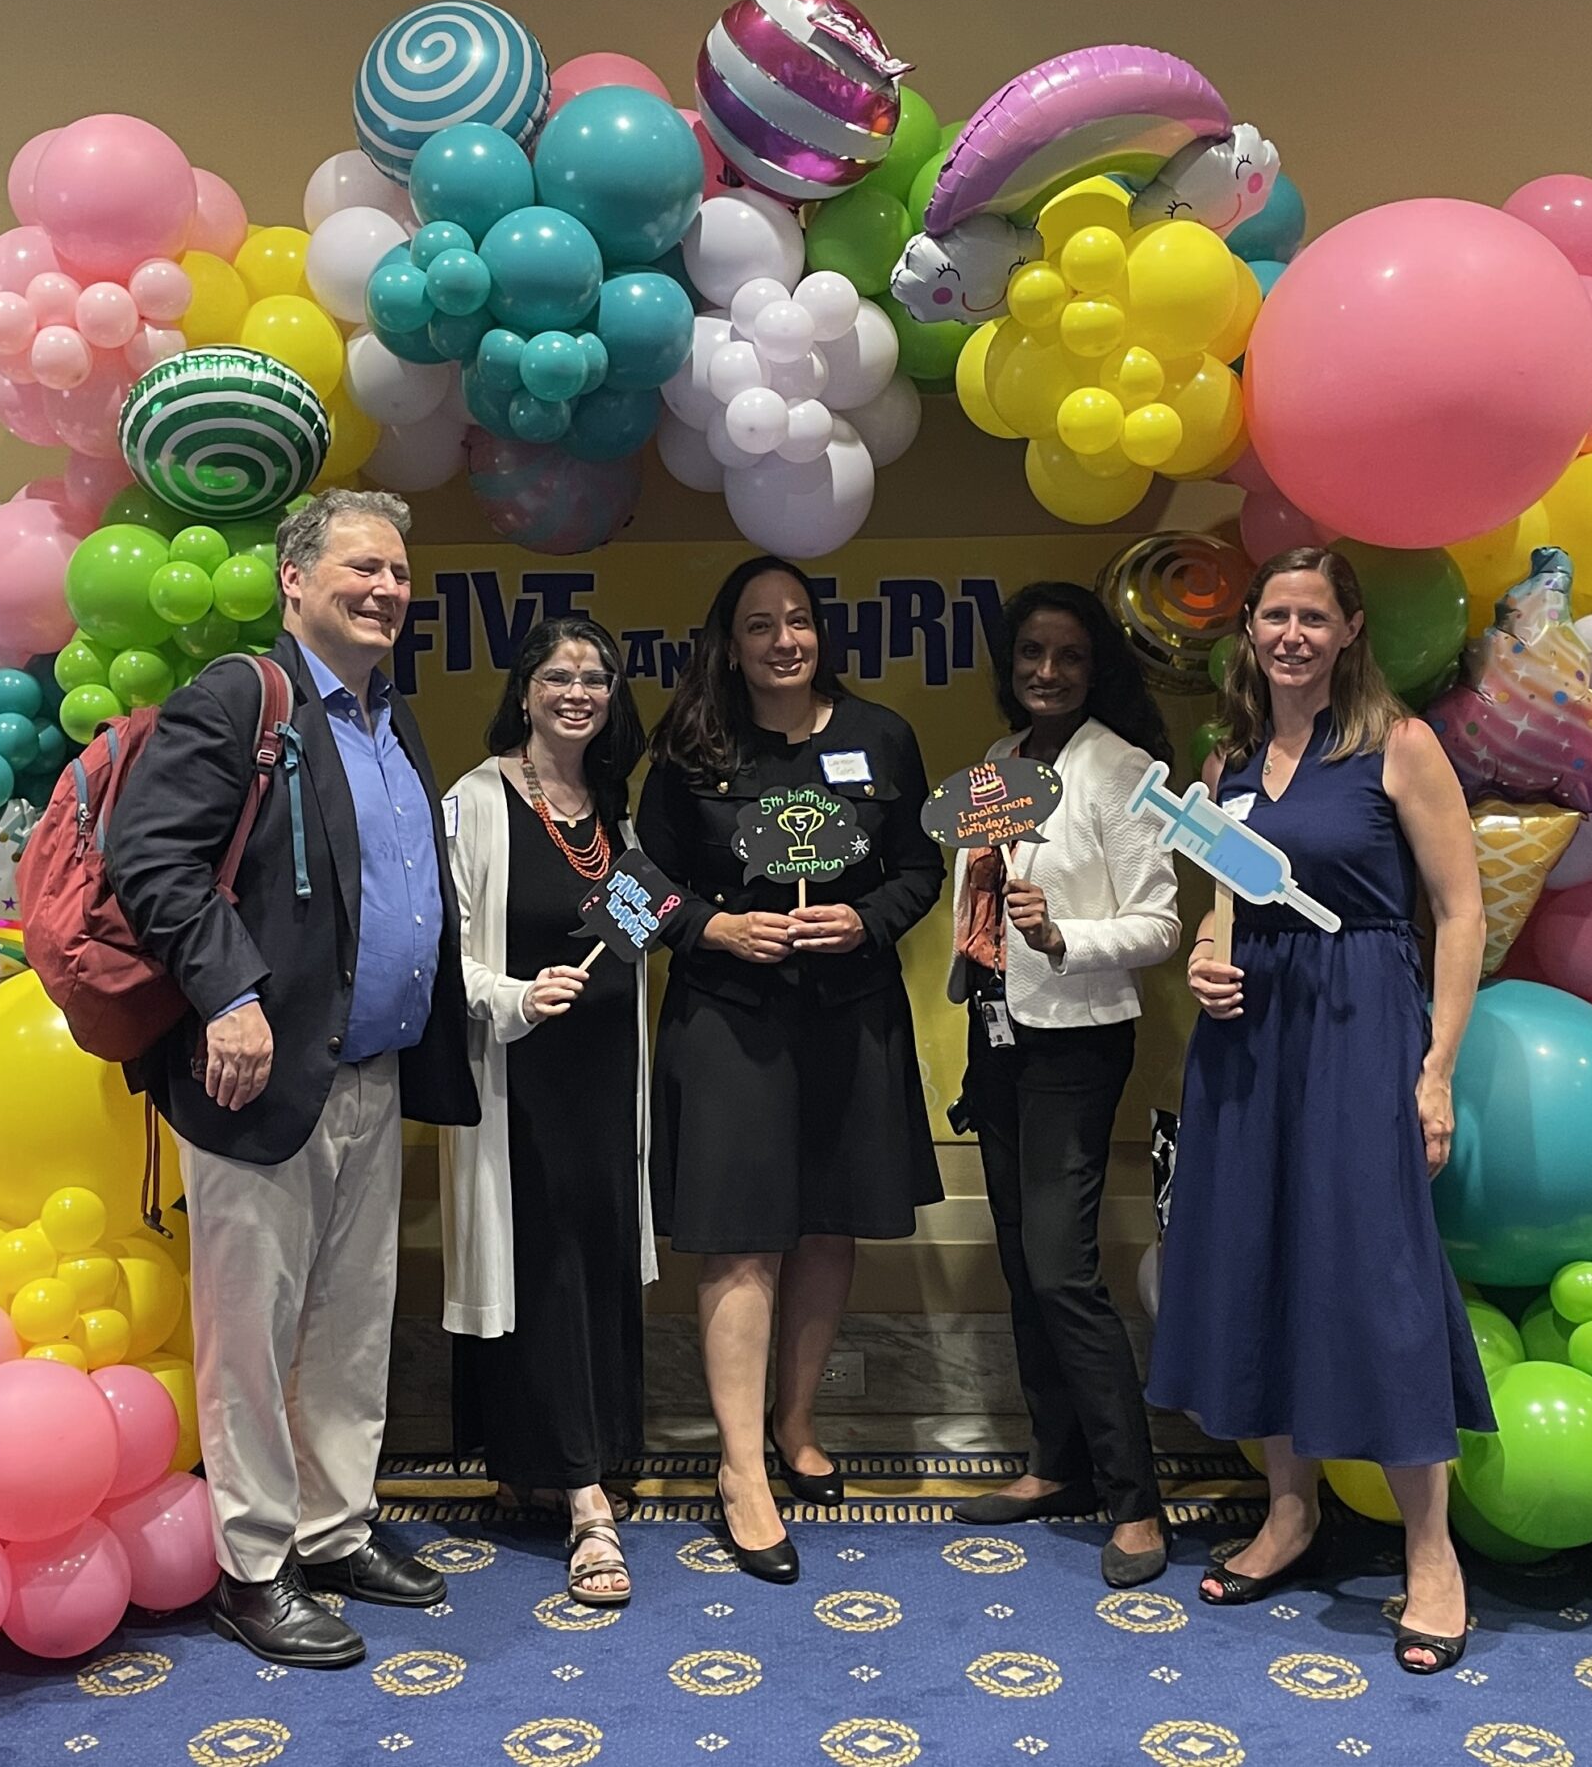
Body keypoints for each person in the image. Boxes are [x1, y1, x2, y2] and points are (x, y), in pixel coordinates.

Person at [106, 489, 478, 1669]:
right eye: (363, 568)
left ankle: (334, 1526)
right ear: (295, 581)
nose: (385, 590)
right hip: (255, 1081)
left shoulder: (389, 715)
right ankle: (255, 1563)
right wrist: (227, 993)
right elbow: (150, 858)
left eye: (399, 574)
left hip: (367, 1069)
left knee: (348, 1324)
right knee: (252, 1332)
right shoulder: (239, 696)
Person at [1143, 545, 1493, 1674]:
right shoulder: (1230, 756)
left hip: (1359, 1028)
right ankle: (1287, 1510)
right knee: (1252, 1257)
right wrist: (1204, 959)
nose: (1290, 633)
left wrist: (1434, 1066)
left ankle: (1430, 1552)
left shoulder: (1400, 744)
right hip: (1247, 1041)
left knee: (1374, 1271)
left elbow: (1460, 912)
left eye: (1312, 615)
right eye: (1272, 614)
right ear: (1248, 630)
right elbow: (1220, 910)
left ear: (1348, 631)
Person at [635, 555, 943, 1584]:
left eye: (798, 620)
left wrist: (866, 916)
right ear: (730, 642)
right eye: (759, 624)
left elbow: (919, 866)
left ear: (822, 632)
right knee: (736, 1238)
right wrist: (713, 926)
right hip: (729, 1019)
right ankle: (738, 1469)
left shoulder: (879, 735)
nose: (782, 640)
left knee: (825, 1219)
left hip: (848, 1013)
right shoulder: (687, 748)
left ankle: (795, 1421)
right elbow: (633, 886)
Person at [946, 583, 1181, 1588]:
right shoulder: (1000, 764)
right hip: (996, 1028)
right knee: (1017, 1259)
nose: (1046, 672)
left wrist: (1062, 934)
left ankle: (1136, 1499)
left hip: (1076, 1043)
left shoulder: (1125, 772)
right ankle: (1056, 1464)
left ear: (1097, 668)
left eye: (1069, 656)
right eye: (1031, 653)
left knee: (1061, 1268)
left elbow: (1161, 923)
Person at [440, 617, 657, 1608]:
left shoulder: (609, 803)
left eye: (597, 677)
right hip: (522, 1084)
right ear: (524, 687)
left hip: (608, 1078)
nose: (579, 691)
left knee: (596, 1262)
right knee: (549, 1270)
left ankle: (575, 1454)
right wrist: (516, 998)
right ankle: (585, 1505)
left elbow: (637, 917)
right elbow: (442, 954)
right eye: (559, 674)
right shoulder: (475, 801)